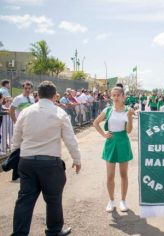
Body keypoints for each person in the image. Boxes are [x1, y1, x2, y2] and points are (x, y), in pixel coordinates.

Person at [11, 80, 81, 236]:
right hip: (50, 163)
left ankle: (19, 233)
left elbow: (16, 137)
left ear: (38, 94)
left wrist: (15, 154)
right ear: (55, 96)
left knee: (25, 200)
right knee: (53, 199)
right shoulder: (60, 113)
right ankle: (54, 231)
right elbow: (70, 139)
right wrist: (77, 160)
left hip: (27, 161)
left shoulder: (26, 112)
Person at [93, 87, 134, 213]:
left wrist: (130, 117)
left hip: (123, 141)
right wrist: (104, 135)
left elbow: (128, 130)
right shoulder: (108, 110)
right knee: (110, 175)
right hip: (111, 143)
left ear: (123, 97)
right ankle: (111, 200)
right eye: (113, 95)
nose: (115, 97)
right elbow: (95, 123)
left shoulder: (128, 110)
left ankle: (123, 200)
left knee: (123, 174)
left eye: (118, 95)